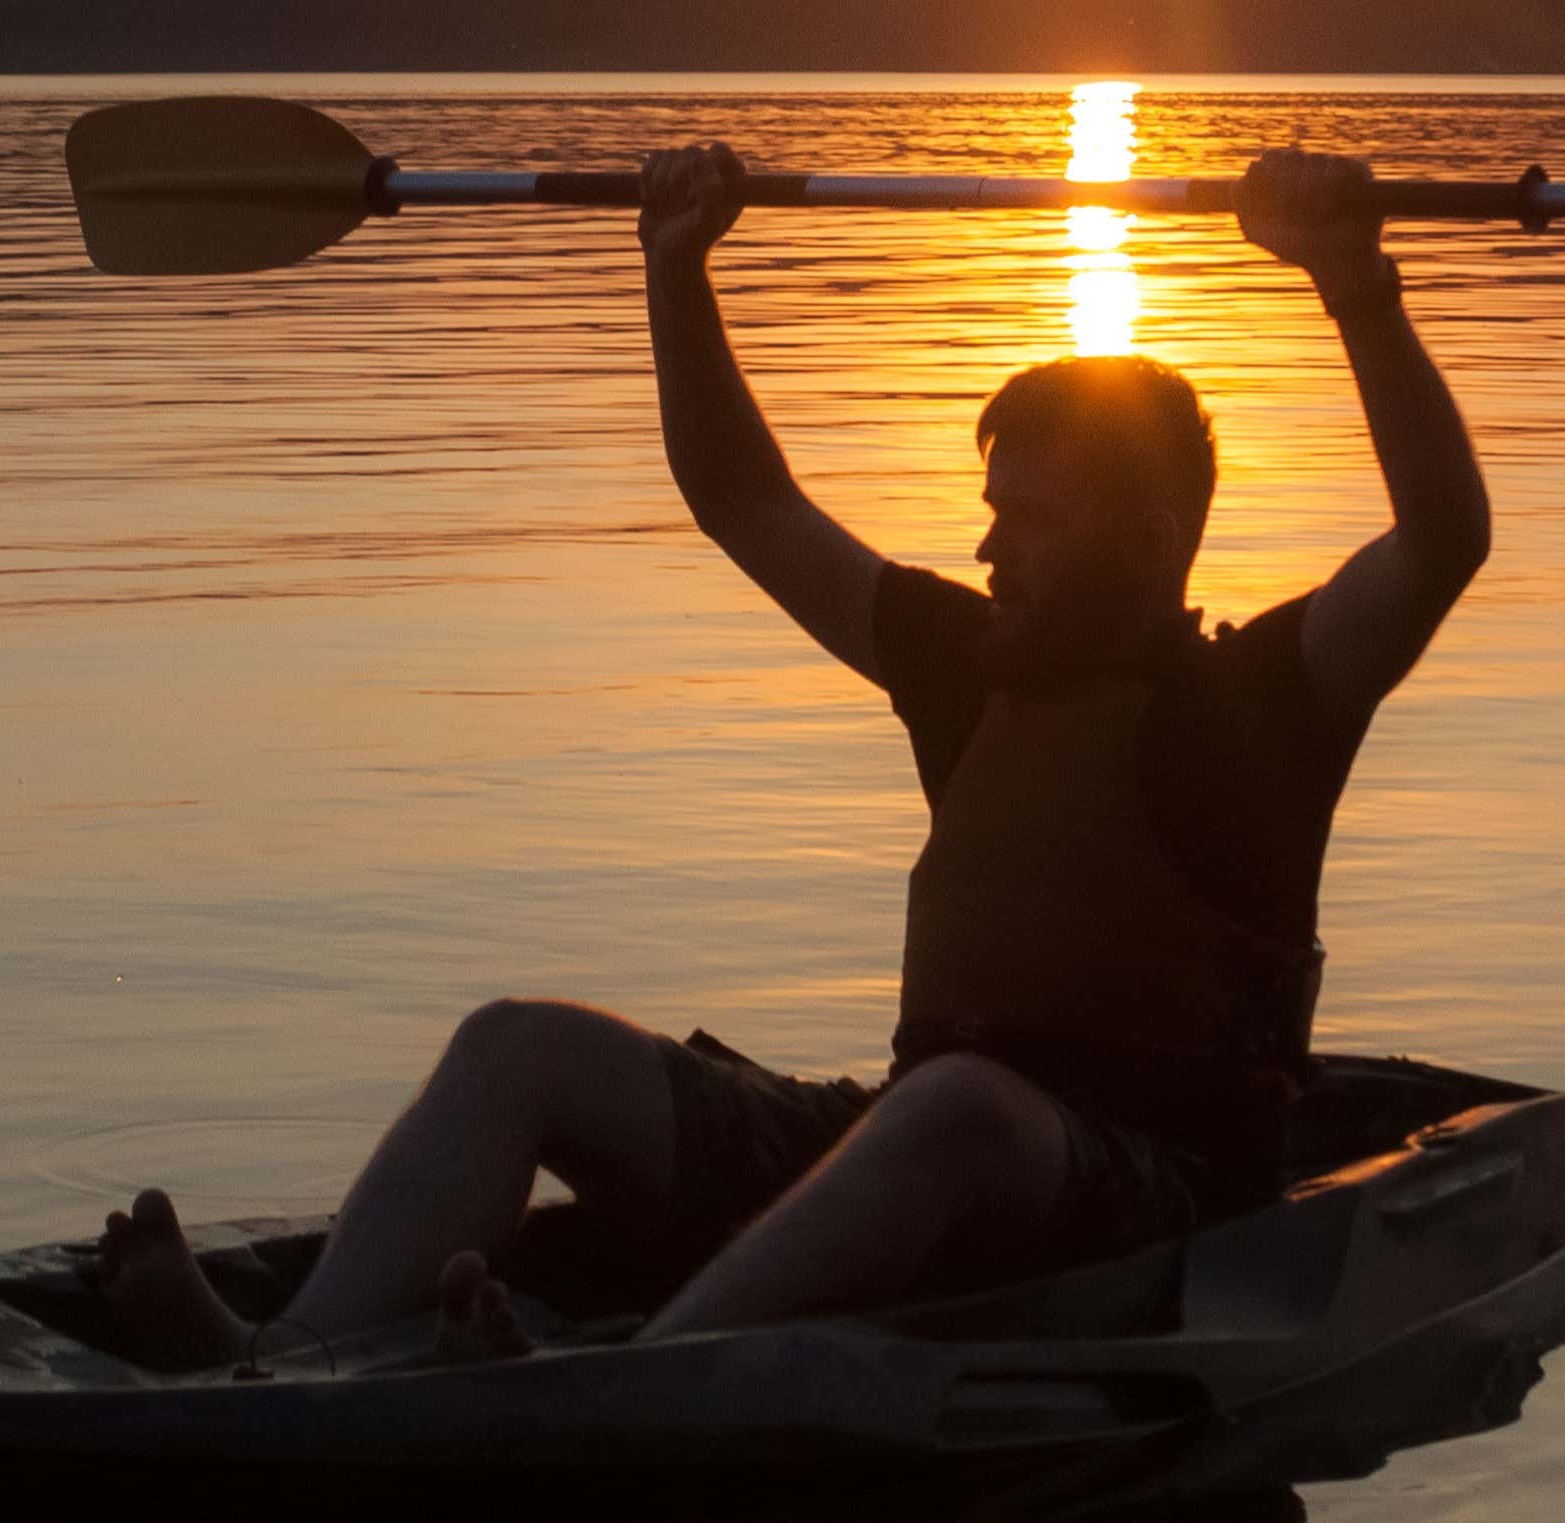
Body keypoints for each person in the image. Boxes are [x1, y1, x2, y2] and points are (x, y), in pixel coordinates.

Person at [86, 138, 1489, 1372]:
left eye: (1030, 519)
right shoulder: (965, 667)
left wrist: (1355, 291)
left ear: (1140, 533)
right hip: (910, 1135)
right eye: (989, 509)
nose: (988, 546)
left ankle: (628, 1381)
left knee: (960, 1111)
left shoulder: (1260, 698)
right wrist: (677, 268)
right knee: (523, 1043)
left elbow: (1442, 540)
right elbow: (744, 500)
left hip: (1151, 1189)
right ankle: (283, 1360)